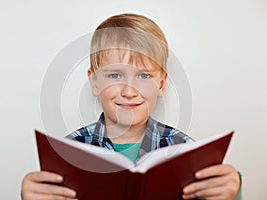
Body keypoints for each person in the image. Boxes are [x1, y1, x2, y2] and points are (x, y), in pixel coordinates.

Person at [21, 13, 241, 200]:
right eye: (115, 75)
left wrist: (231, 193)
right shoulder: (70, 153)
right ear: (95, 82)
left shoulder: (183, 149)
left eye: (144, 75)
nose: (129, 91)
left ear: (161, 84)